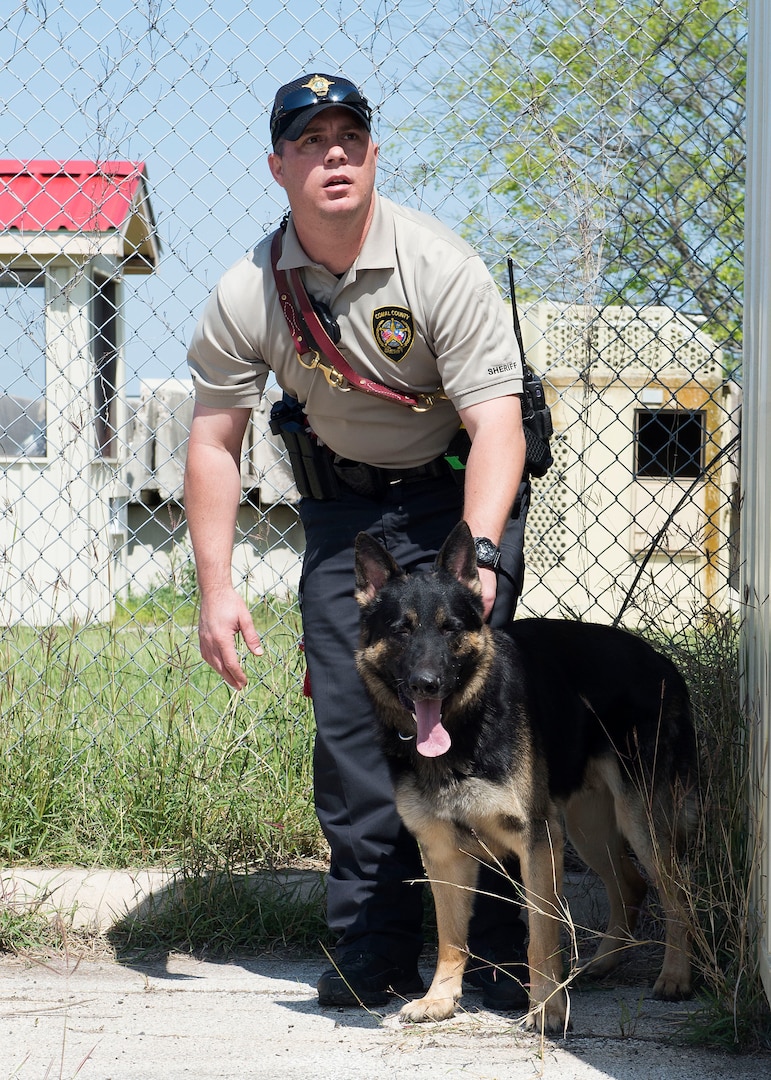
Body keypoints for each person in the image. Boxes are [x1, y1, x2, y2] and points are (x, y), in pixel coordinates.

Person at [184, 72, 531, 1010]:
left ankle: (500, 958)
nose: (332, 154)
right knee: (349, 729)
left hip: (458, 505)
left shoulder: (436, 264)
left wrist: (487, 552)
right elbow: (213, 441)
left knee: (480, 732)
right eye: (309, 141)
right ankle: (371, 952)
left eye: (349, 137)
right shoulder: (247, 289)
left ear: (373, 154)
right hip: (348, 519)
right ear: (278, 165)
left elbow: (498, 424)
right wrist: (216, 588)